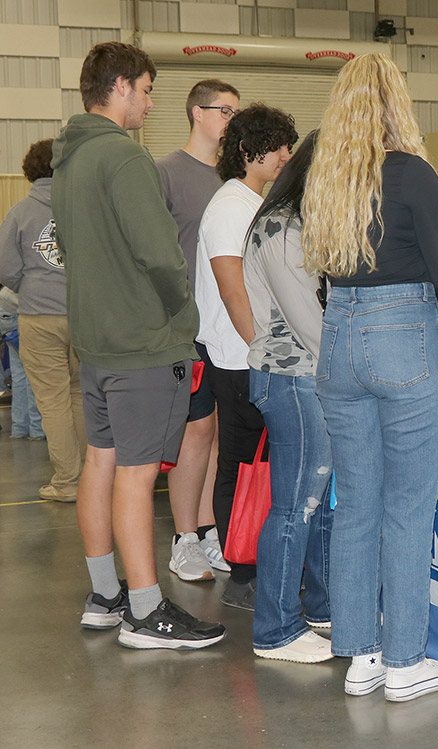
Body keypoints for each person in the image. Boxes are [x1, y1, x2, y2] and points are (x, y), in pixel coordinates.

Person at [302, 53, 438, 701]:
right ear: (396, 103)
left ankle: (362, 656)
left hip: (340, 341)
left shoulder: (329, 180)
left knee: (356, 505)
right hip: (404, 338)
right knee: (406, 506)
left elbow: (324, 276)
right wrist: (436, 313)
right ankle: (405, 660)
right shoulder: (412, 173)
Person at [51, 41, 225, 648]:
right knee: (136, 472)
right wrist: (183, 313)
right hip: (143, 344)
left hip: (96, 342)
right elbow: (160, 254)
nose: (150, 104)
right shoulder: (124, 159)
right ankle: (148, 612)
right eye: (147, 90)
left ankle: (106, 595)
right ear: (121, 86)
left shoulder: (66, 162)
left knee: (101, 463)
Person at [195, 103, 297, 610]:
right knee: (240, 463)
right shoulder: (229, 208)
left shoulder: (252, 203)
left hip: (255, 354)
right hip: (240, 359)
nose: (285, 154)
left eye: (287, 144)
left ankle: (256, 562)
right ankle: (242, 571)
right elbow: (235, 293)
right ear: (245, 150)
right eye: (276, 144)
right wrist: (265, 354)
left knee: (259, 462)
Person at [243, 131, 333, 663]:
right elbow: (310, 323)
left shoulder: (303, 222)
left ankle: (320, 607)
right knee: (295, 506)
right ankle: (276, 629)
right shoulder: (280, 226)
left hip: (309, 377)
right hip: (293, 377)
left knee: (318, 506)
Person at [158, 79, 240, 582]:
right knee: (195, 431)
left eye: (237, 111)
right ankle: (183, 538)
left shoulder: (235, 179)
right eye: (224, 110)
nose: (231, 120)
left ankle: (209, 532)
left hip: (228, 327)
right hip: (185, 327)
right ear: (196, 112)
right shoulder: (165, 172)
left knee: (217, 436)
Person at [0, 139, 81, 495]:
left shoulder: (20, 212)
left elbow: (6, 269)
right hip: (82, 314)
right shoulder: (83, 209)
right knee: (81, 395)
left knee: (52, 401)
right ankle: (93, 478)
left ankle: (68, 481)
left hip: (38, 316)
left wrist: (30, 283)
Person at [0, 287, 44, 442]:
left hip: (5, 310)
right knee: (34, 375)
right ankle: (37, 430)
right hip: (25, 309)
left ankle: (19, 428)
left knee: (19, 376)